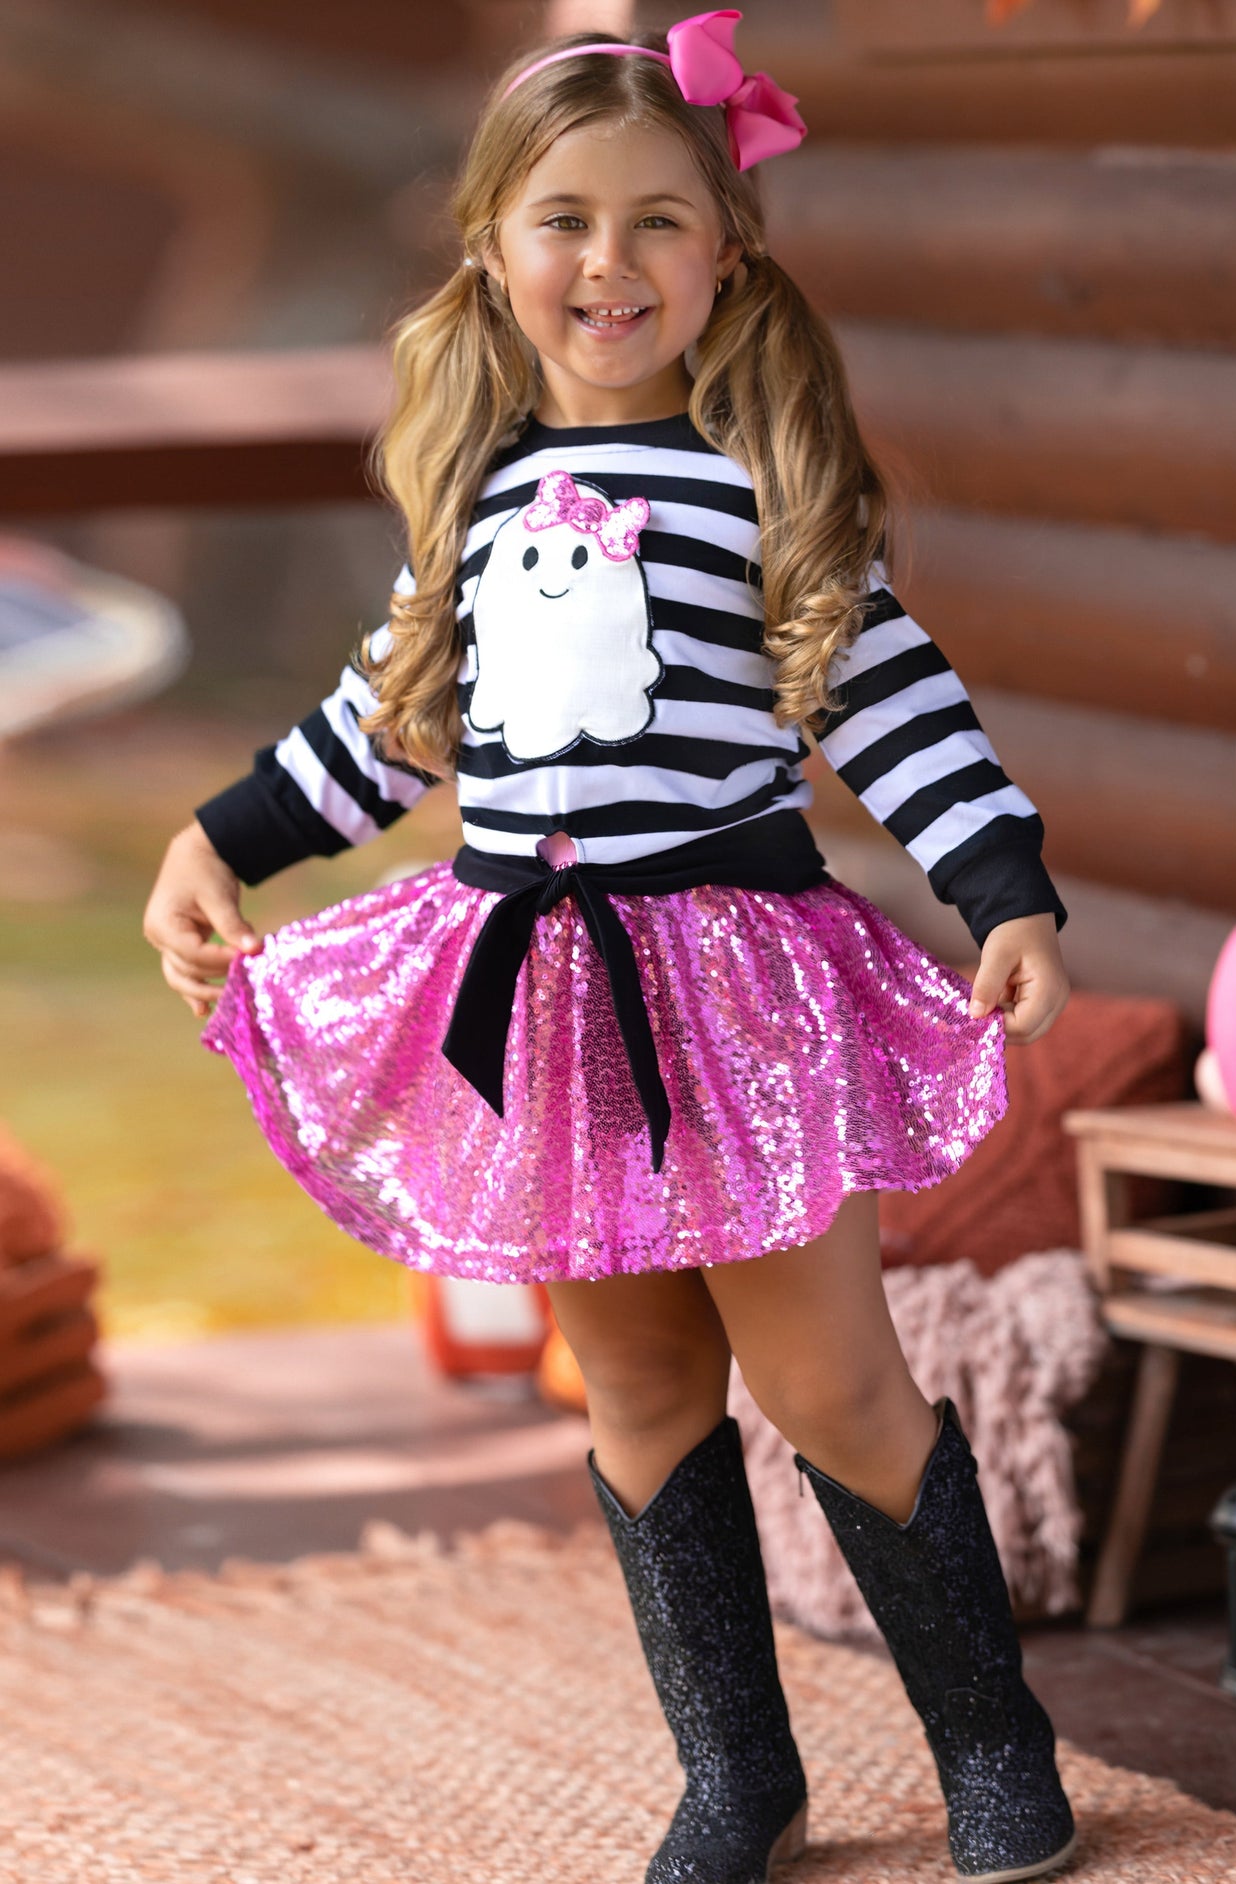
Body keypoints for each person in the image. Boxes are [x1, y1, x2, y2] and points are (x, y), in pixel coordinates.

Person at [142, 12, 1079, 1883]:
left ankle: (993, 1740)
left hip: (735, 996)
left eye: (658, 219)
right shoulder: (473, 497)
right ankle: (738, 1774)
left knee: (827, 1383)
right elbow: (386, 728)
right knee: (640, 1386)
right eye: (564, 219)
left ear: (727, 249)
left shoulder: (763, 486)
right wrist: (214, 840)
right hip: (544, 1003)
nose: (609, 260)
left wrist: (1007, 889)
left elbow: (898, 713)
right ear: (493, 247)